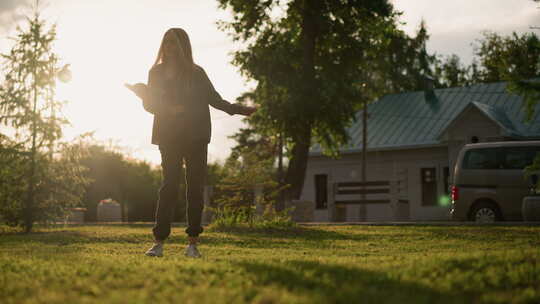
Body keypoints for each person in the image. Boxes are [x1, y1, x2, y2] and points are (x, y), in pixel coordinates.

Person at [126, 28, 256, 258]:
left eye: (174, 43)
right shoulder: (155, 73)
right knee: (169, 186)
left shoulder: (196, 73)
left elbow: (214, 100)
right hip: (169, 136)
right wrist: (143, 94)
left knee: (194, 189)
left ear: (183, 46)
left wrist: (239, 110)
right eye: (166, 42)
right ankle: (158, 243)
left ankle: (192, 244)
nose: (169, 47)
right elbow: (151, 106)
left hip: (196, 136)